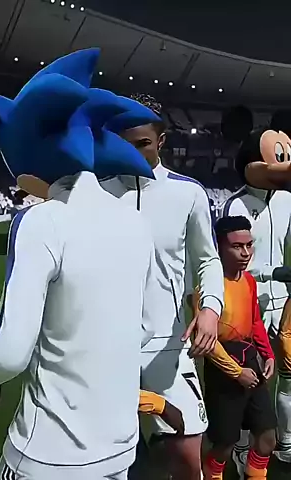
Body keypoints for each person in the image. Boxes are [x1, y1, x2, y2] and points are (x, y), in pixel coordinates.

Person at [0, 49, 164, 479]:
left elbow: (10, 353)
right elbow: (145, 327)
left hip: (47, 455)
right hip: (120, 452)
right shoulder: (136, 222)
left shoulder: (42, 221)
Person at [101, 110, 224, 480]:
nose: (134, 153)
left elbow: (208, 260)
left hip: (167, 346)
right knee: (111, 460)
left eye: (143, 144)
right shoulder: (96, 192)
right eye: (124, 145)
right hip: (105, 348)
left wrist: (210, 309)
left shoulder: (188, 193)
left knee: (188, 455)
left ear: (161, 141)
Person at [220, 108, 291, 469]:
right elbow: (233, 262)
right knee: (251, 378)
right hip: (250, 303)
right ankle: (241, 445)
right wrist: (274, 273)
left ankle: (285, 440)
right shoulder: (236, 205)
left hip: (284, 302)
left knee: (287, 375)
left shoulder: (287, 200)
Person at [200, 216, 276, 480]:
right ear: (219, 247)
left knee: (267, 437)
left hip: (250, 359)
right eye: (237, 246)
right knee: (224, 445)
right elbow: (207, 342)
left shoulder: (249, 281)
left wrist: (268, 354)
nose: (246, 253)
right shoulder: (208, 286)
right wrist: (236, 372)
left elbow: (255, 320)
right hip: (223, 367)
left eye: (249, 245)